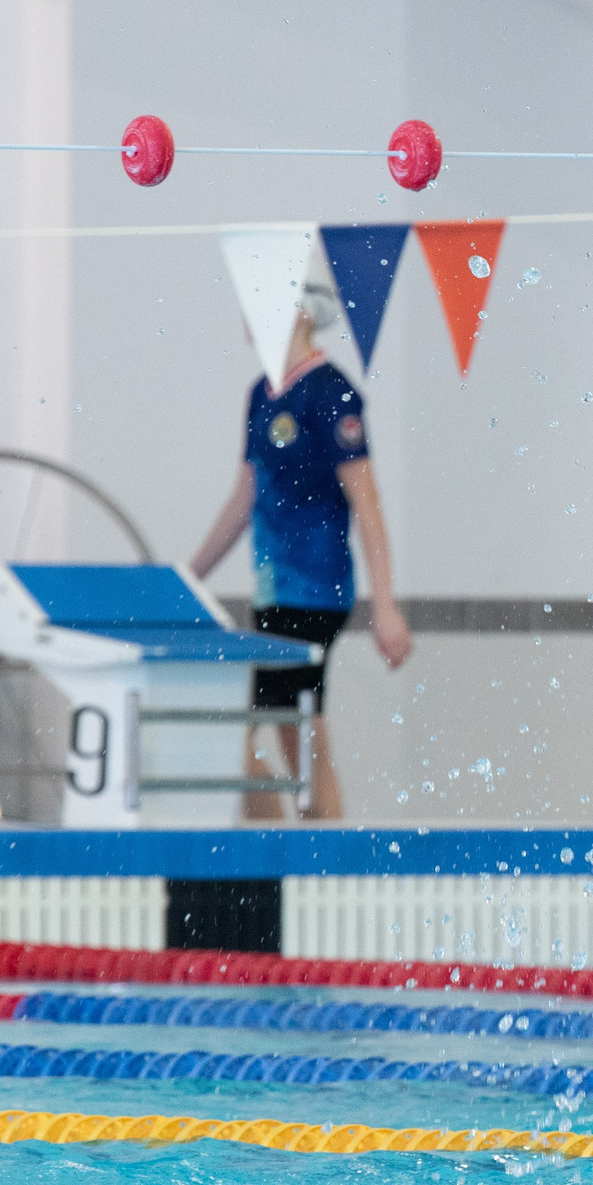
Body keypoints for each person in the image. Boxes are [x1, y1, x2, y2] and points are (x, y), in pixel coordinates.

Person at [187, 279, 411, 821]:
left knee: (250, 737)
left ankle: (279, 868)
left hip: (315, 593)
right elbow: (244, 499)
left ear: (302, 314)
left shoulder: (331, 393)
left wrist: (385, 606)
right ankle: (306, 859)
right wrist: (188, 575)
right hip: (274, 592)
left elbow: (368, 502)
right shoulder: (260, 393)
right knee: (299, 737)